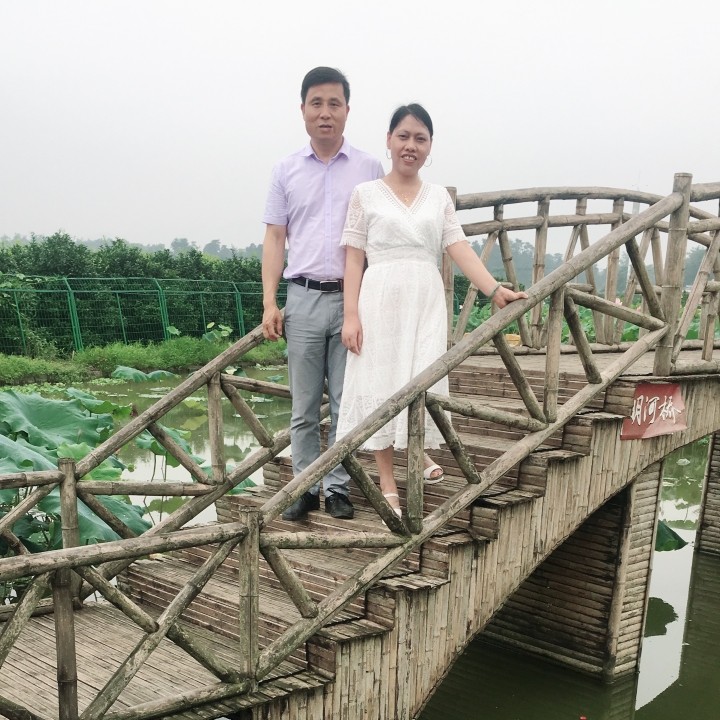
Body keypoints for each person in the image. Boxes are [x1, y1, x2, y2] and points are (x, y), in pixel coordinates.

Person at [336, 103, 528, 518]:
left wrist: (494, 289)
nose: (411, 145)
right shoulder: (365, 194)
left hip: (425, 298)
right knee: (382, 380)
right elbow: (353, 259)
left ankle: (417, 452)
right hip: (379, 297)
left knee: (420, 377)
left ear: (429, 146)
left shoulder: (438, 197)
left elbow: (458, 248)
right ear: (389, 140)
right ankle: (387, 480)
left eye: (420, 139)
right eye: (403, 136)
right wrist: (350, 315)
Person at [261, 66, 384, 521]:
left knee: (347, 404)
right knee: (304, 405)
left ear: (347, 110)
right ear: (303, 110)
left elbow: (381, 234)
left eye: (334, 103)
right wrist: (270, 301)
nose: (325, 112)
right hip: (304, 298)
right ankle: (304, 487)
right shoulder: (285, 170)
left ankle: (337, 488)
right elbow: (275, 237)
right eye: (317, 103)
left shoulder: (369, 169)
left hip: (354, 301)